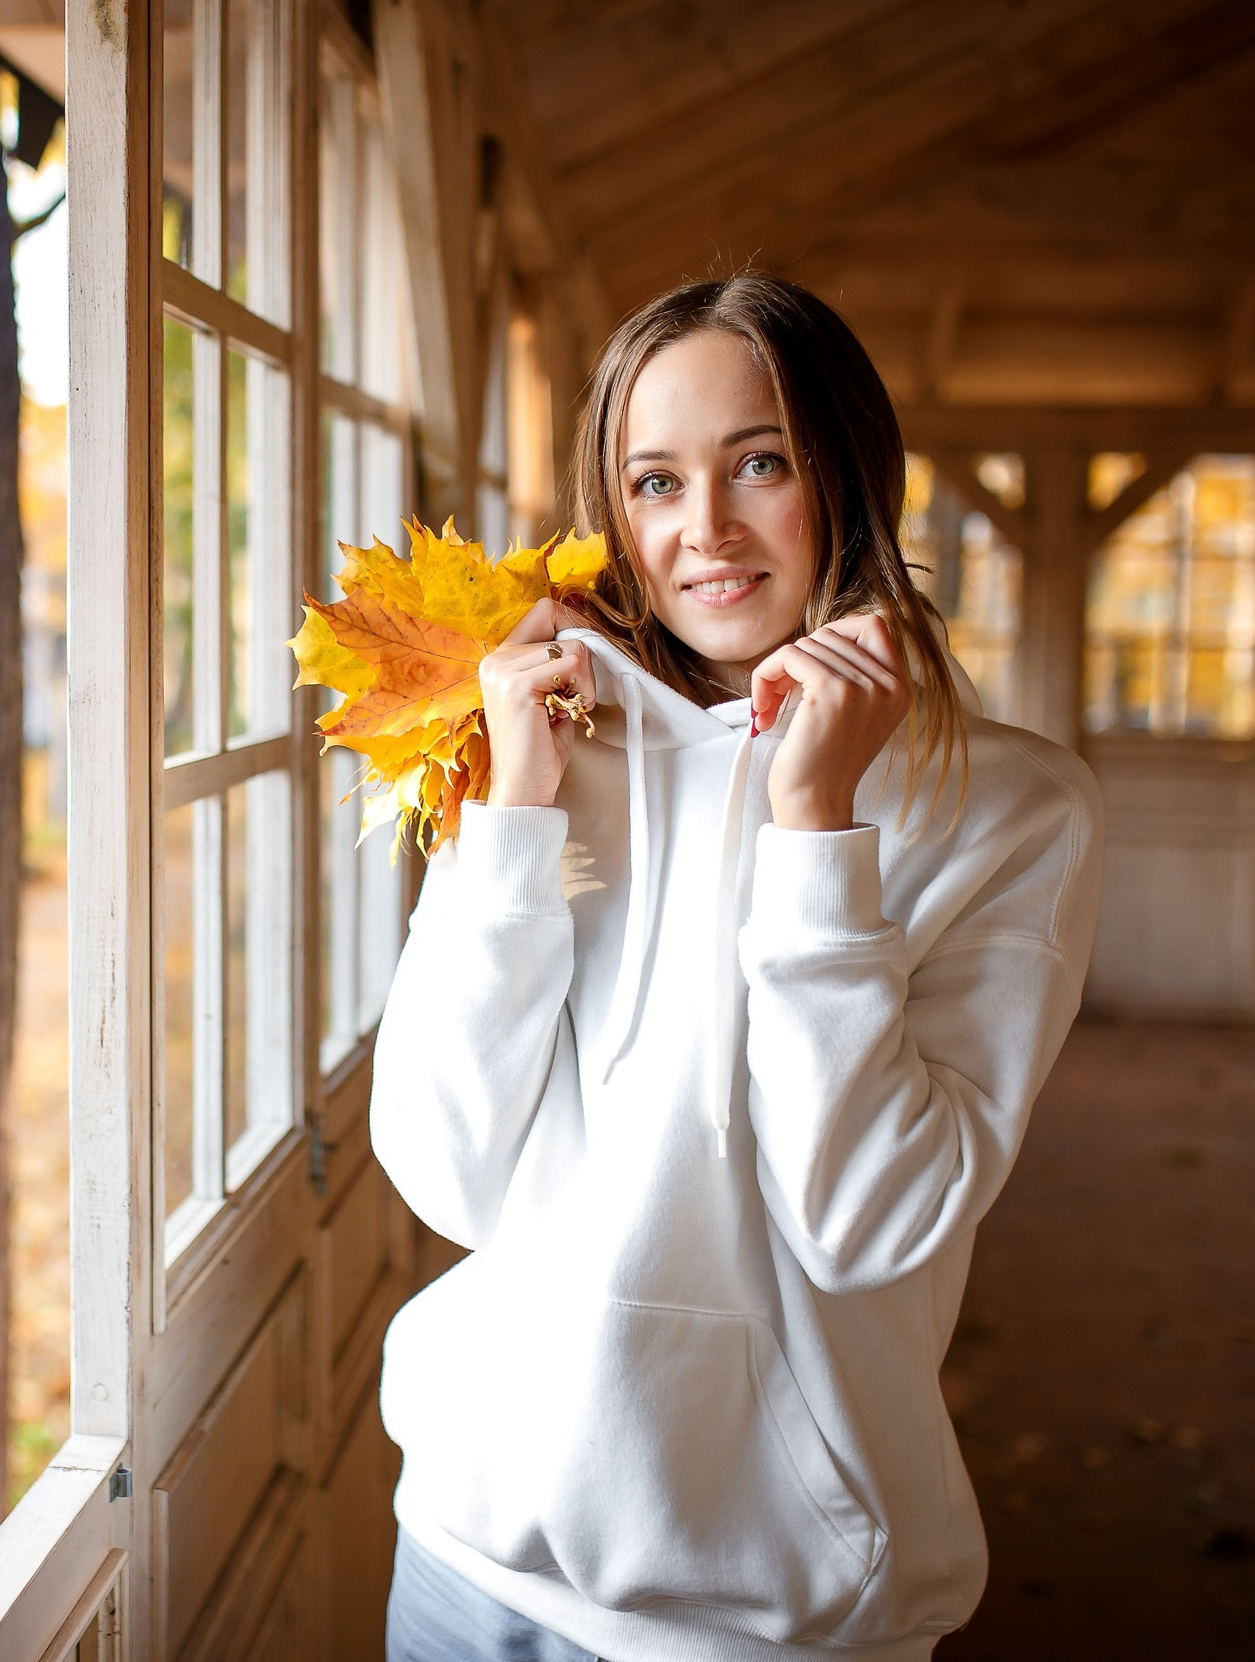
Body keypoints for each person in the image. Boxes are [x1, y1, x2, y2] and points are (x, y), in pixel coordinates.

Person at [372, 275, 1104, 1662]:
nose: (702, 529)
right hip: (466, 1566)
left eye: (758, 463)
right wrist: (513, 813)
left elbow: (868, 1222)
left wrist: (816, 828)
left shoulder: (1015, 810)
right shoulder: (542, 752)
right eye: (655, 481)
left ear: (848, 473)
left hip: (773, 1615)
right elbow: (446, 1171)